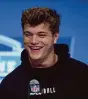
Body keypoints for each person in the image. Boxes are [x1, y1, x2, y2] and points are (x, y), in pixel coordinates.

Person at [0, 7, 88, 99]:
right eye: (28, 35)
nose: (34, 41)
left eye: (41, 35)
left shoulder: (82, 74)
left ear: (55, 37)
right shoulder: (10, 84)